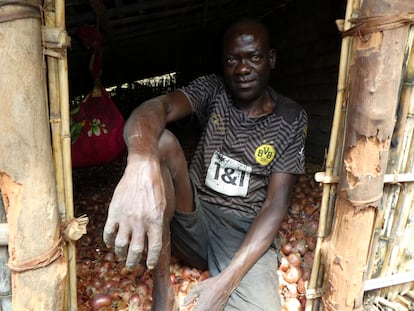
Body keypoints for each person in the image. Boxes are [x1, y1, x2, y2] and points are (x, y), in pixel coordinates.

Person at [103, 18, 308, 311]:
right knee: (159, 143)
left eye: (254, 57)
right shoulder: (213, 89)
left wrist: (224, 284)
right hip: (192, 217)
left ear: (271, 59)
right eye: (232, 60)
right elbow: (153, 109)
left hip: (241, 234)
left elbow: (275, 204)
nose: (242, 68)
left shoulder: (290, 118)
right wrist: (139, 162)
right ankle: (163, 289)